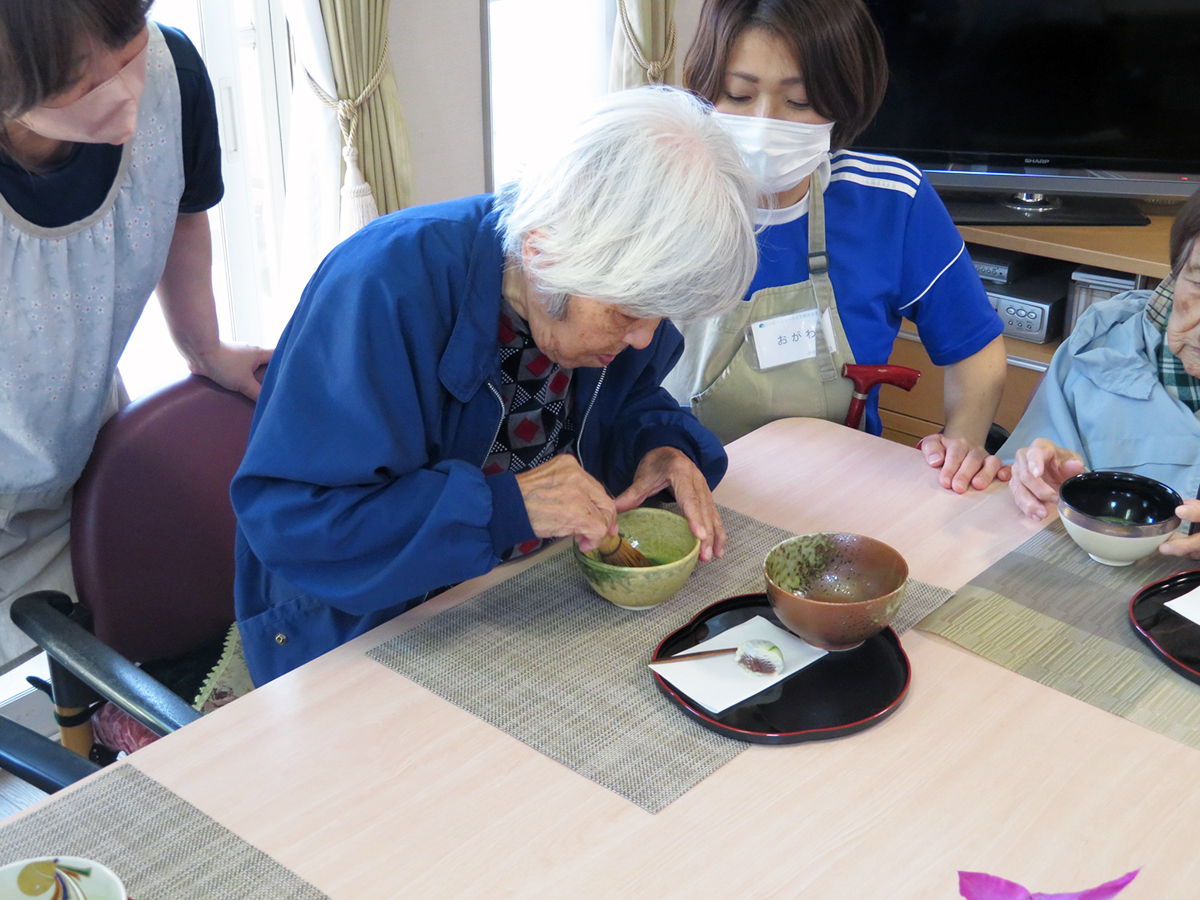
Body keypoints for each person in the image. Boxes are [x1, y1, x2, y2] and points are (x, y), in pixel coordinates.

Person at [230, 85, 760, 685]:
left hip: (521, 592)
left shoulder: (612, 300)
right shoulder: (381, 289)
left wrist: (660, 447)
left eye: (662, 315)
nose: (644, 339)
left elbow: (631, 399)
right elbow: (295, 522)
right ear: (543, 255)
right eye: (629, 313)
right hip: (363, 626)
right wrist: (502, 509)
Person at [0, 0, 272, 672]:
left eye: (125, 41)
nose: (124, 94)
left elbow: (181, 215)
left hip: (77, 447)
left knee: (97, 663)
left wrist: (202, 346)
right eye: (77, 82)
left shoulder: (174, 74)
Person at [662, 0, 1009, 494]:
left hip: (836, 497)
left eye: (798, 102)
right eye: (738, 95)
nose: (764, 124)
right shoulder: (658, 195)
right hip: (672, 492)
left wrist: (962, 446)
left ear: (844, 102)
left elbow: (976, 350)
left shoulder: (889, 202)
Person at [1001, 189, 1200, 558]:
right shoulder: (1101, 352)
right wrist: (1033, 477)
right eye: (1199, 283)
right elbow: (1014, 478)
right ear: (1176, 272)